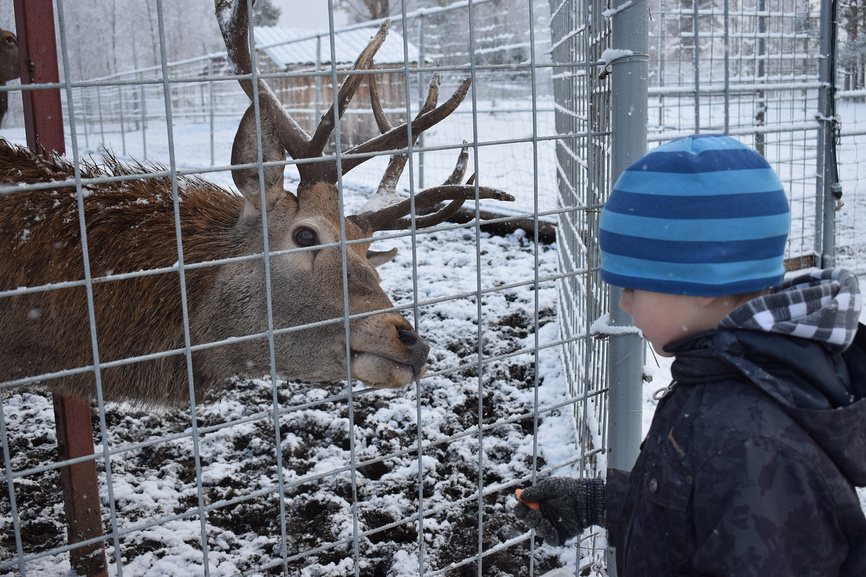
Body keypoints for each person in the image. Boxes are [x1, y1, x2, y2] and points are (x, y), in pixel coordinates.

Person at [513, 134, 866, 576]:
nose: (624, 304)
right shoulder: (732, 377)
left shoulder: (753, 440)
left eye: (632, 287)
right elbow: (702, 512)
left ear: (699, 286)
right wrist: (601, 503)